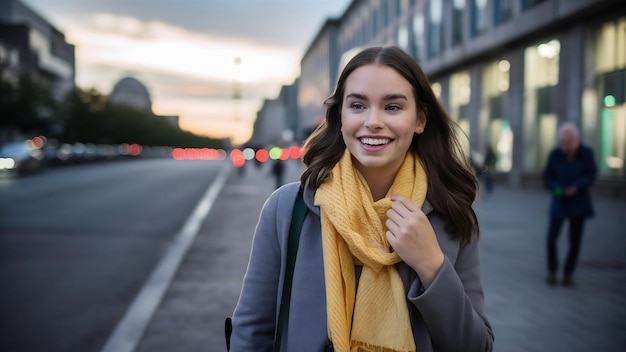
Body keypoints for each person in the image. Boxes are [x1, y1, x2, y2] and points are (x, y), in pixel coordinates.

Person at [230, 46, 494, 351]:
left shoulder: (450, 213)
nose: (373, 121)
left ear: (420, 120)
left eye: (392, 107)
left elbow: (477, 346)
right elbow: (251, 332)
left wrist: (432, 266)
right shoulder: (288, 209)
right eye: (357, 105)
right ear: (340, 115)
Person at [543, 122, 597, 287]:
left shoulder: (586, 154)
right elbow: (547, 177)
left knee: (575, 241)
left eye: (569, 141)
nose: (566, 145)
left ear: (577, 140)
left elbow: (591, 174)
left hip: (578, 201)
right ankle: (552, 270)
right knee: (551, 238)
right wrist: (555, 187)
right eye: (563, 142)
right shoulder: (555, 154)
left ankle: (568, 274)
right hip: (559, 201)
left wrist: (578, 186)